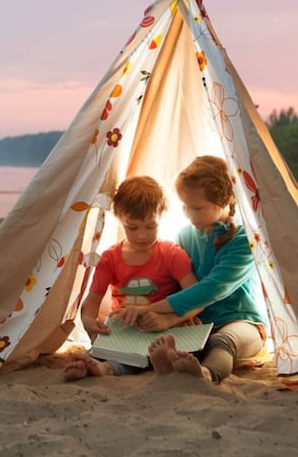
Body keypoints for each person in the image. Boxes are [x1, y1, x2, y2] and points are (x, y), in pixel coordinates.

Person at [114, 156, 268, 384]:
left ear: (224, 202)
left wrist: (165, 315)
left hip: (242, 322)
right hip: (198, 324)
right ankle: (138, 367)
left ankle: (206, 373)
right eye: (184, 206)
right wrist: (178, 318)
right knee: (164, 341)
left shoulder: (244, 240)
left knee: (223, 342)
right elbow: (176, 284)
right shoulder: (185, 235)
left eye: (197, 207)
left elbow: (211, 289)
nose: (188, 213)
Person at [64, 175, 197, 381]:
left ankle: (113, 366)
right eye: (132, 227)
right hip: (126, 331)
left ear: (161, 218)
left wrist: (174, 319)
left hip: (162, 328)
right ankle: (102, 368)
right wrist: (89, 321)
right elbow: (91, 302)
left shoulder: (172, 254)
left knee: (172, 349)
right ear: (119, 218)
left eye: (150, 226)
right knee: (117, 355)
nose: (142, 236)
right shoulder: (110, 258)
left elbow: (196, 297)